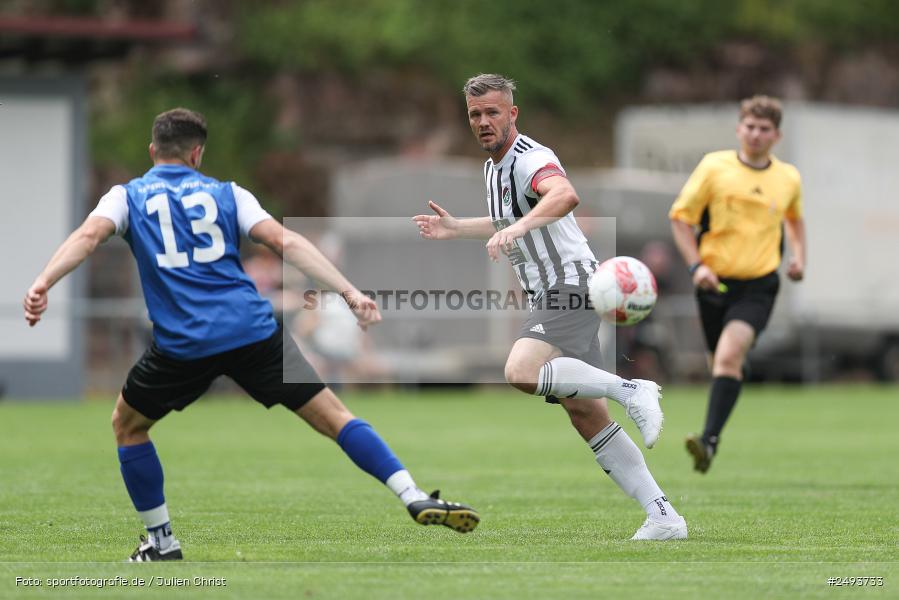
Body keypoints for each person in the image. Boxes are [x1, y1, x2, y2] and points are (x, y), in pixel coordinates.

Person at [23, 108, 479, 562]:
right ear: (197, 154)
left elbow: (87, 237)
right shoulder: (229, 194)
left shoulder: (125, 197)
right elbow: (287, 243)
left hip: (185, 344)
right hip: (253, 332)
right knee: (335, 417)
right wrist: (349, 292)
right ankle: (412, 493)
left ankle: (161, 542)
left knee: (128, 426)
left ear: (152, 150)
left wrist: (43, 281)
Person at [413, 74, 687, 541]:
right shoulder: (492, 169)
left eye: (492, 112)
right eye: (475, 114)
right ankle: (664, 516)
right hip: (552, 291)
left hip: (572, 281)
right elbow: (510, 219)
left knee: (520, 370)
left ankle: (632, 388)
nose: (483, 122)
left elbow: (563, 195)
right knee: (587, 416)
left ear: (512, 114)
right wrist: (459, 228)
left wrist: (516, 232)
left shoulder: (530, 158)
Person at [669, 95, 806, 474]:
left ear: (776, 135)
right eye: (750, 127)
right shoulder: (714, 167)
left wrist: (799, 257)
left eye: (765, 129)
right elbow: (680, 219)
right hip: (713, 284)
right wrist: (696, 266)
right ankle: (725, 393)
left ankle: (709, 440)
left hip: (759, 285)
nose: (756, 134)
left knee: (728, 355)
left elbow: (794, 219)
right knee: (722, 361)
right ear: (739, 128)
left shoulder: (787, 177)